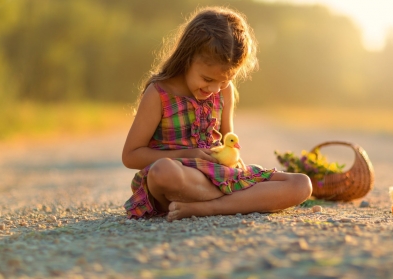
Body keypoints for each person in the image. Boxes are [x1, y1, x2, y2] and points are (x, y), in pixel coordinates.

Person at [122, 6, 312, 221]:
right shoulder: (159, 93)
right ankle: (234, 201)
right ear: (187, 58)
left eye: (224, 81)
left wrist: (235, 163)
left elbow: (229, 143)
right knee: (162, 172)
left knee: (301, 184)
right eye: (208, 79)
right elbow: (131, 155)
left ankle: (206, 208)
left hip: (220, 175)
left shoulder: (225, 92)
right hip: (183, 176)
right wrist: (189, 154)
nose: (214, 89)